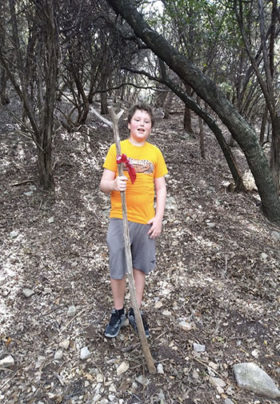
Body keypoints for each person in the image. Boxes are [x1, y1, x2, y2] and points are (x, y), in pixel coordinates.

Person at [99, 102, 168, 338]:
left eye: (146, 122)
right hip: (120, 217)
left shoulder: (155, 153)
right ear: (128, 124)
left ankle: (135, 312)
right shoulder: (117, 149)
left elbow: (161, 187)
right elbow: (103, 184)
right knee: (117, 264)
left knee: (140, 266)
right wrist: (113, 185)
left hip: (146, 219)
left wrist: (158, 218)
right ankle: (118, 311)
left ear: (151, 128)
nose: (142, 124)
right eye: (137, 120)